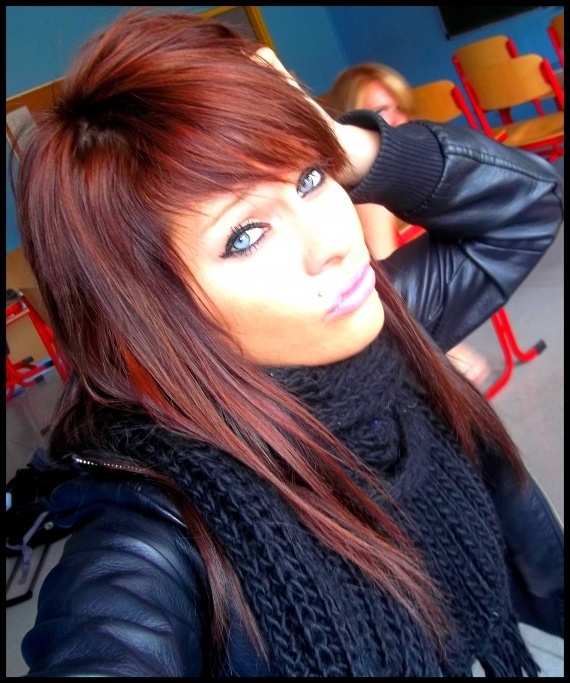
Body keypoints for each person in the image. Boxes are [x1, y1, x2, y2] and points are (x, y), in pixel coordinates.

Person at [10, 7, 563, 678]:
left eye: (309, 178)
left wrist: (340, 141)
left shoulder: (369, 339)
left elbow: (527, 210)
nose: (332, 241)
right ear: (152, 311)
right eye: (245, 235)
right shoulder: (155, 536)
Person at [325, 62, 492, 388]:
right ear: (352, 120)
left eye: (400, 107)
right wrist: (448, 351)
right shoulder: (371, 198)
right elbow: (392, 288)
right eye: (381, 111)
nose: (399, 119)